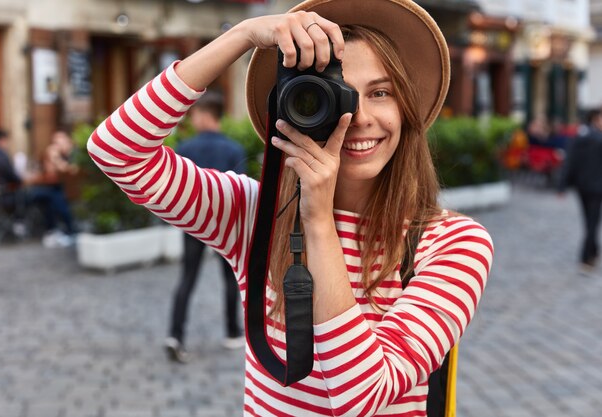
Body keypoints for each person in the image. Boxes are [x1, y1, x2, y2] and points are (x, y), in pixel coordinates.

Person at [88, 0, 493, 415]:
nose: (358, 117)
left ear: (405, 109)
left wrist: (317, 223)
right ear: (296, 111)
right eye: (338, 96)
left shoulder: (453, 244)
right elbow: (116, 151)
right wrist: (241, 36)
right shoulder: (254, 218)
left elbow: (363, 397)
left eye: (381, 92)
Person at [165, 92, 247, 363]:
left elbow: (176, 189)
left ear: (202, 115)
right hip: (227, 223)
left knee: (187, 279)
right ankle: (233, 332)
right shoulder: (234, 149)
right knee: (230, 279)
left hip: (193, 223)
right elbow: (240, 194)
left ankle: (175, 334)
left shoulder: (186, 148)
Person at [558, 107, 602, 274]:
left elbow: (569, 162)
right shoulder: (598, 138)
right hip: (596, 188)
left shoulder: (578, 136)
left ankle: (594, 251)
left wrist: (562, 185)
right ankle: (586, 257)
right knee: (592, 222)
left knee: (589, 220)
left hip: (583, 187)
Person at [27, 130, 78, 247]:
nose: (57, 145)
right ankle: (64, 230)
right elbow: (49, 173)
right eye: (55, 142)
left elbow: (69, 170)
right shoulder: (52, 153)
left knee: (51, 197)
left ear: (68, 141)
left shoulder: (74, 154)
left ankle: (56, 230)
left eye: (60, 141)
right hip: (52, 187)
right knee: (50, 198)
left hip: (69, 189)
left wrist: (56, 159)